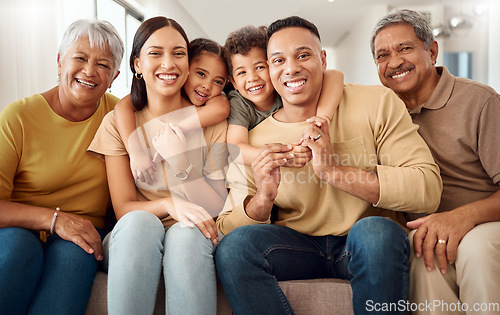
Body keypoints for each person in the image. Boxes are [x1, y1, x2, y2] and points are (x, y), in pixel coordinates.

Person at [215, 15, 442, 315]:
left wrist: (333, 171)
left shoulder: (376, 102)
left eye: (303, 55)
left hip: (362, 244)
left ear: (323, 59)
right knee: (235, 249)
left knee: (375, 232)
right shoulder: (256, 141)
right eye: (278, 60)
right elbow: (226, 228)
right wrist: (262, 200)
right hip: (297, 247)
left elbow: (427, 188)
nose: (292, 68)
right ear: (270, 70)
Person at [88, 16, 228, 315]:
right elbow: (125, 207)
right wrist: (170, 203)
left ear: (188, 63)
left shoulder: (210, 120)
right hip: (134, 234)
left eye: (179, 53)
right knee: (141, 222)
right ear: (137, 64)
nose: (169, 63)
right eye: (155, 53)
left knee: (188, 232)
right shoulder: (118, 122)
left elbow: (213, 206)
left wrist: (180, 160)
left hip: (193, 232)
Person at [371, 9, 500, 314]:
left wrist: (461, 217)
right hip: (426, 230)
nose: (394, 62)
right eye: (382, 55)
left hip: (486, 222)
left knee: (476, 248)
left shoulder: (480, 101)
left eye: (405, 48)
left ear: (431, 51)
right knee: (419, 254)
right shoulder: (380, 112)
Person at [0, 19, 123, 314]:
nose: (90, 71)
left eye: (103, 65)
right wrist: (55, 220)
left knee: (76, 254)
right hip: (18, 228)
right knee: (19, 248)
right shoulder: (18, 116)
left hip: (82, 234)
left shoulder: (120, 115)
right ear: (59, 61)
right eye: (80, 58)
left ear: (114, 76)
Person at [114, 37, 230, 184]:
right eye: (201, 74)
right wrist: (136, 152)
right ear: (186, 67)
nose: (207, 86)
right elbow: (122, 106)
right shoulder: (159, 92)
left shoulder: (214, 100)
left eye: (218, 81)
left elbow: (221, 108)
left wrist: (177, 130)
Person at [223, 25, 345, 165]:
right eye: (242, 73)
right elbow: (235, 150)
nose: (252, 78)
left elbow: (334, 75)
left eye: (260, 67)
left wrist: (322, 118)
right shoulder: (239, 103)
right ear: (233, 82)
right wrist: (285, 158)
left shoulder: (285, 89)